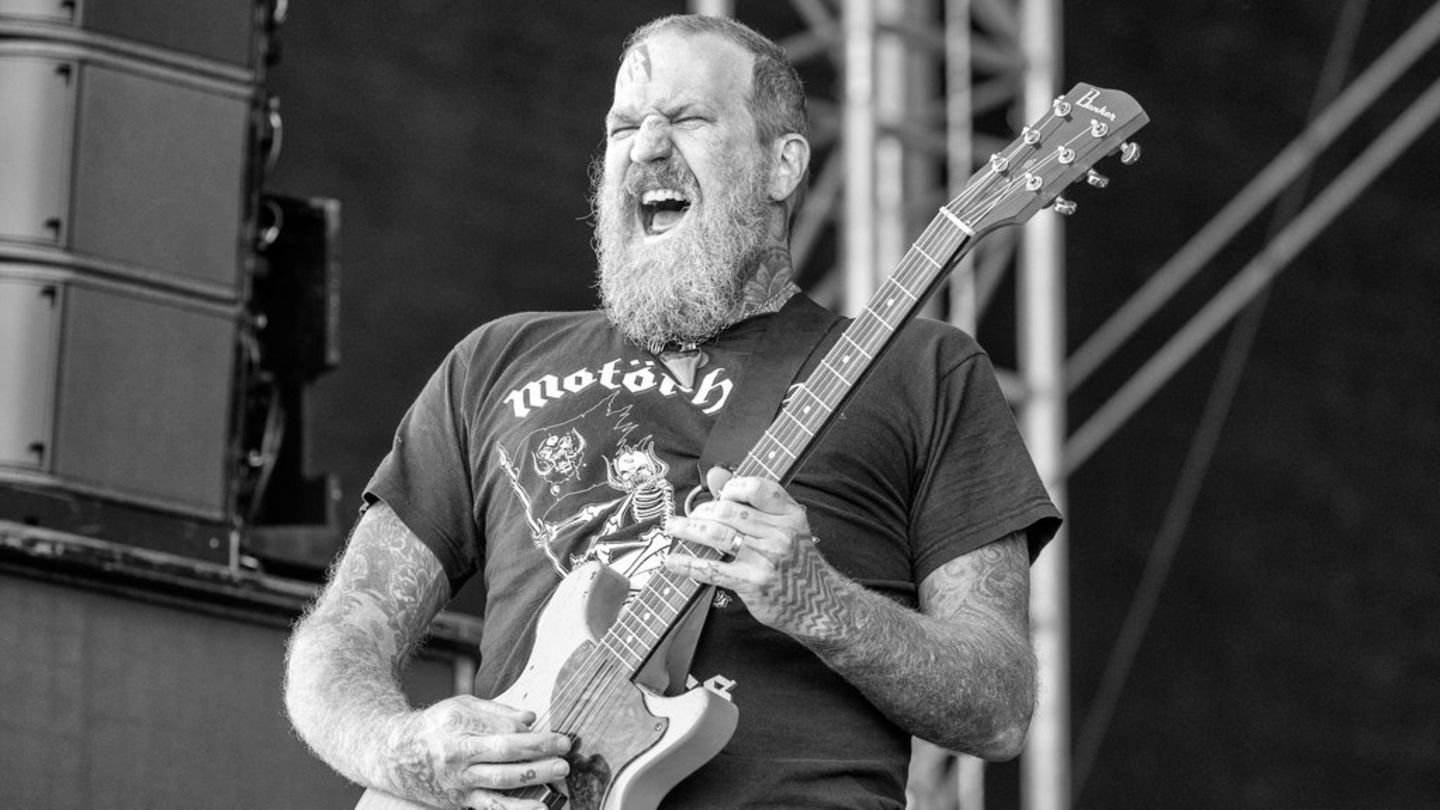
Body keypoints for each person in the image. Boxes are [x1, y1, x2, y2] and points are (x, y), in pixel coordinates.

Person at [284, 13, 1060, 810]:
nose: (647, 147)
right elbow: (342, 635)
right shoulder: (495, 362)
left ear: (783, 165)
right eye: (624, 126)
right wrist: (405, 750)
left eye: (689, 119)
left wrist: (822, 605)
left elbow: (998, 705)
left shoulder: (920, 370)